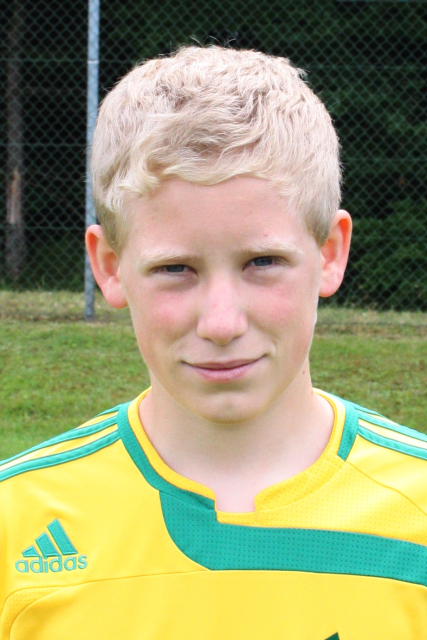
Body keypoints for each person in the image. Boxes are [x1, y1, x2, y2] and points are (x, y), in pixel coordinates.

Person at [1, 46, 426, 639]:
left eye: (262, 261)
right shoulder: (17, 521)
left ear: (330, 253)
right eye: (175, 268)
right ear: (110, 266)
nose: (221, 323)